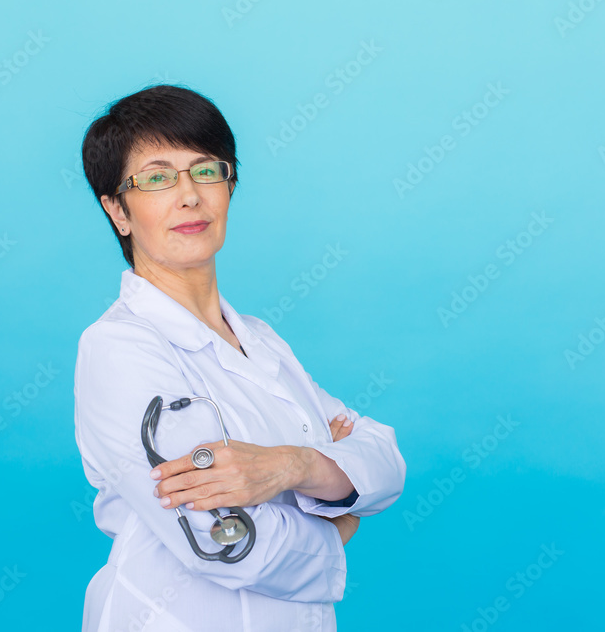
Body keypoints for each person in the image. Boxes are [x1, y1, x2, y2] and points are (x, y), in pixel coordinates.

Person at [73, 84, 405, 631]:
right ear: (117, 210)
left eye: (206, 170)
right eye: (157, 177)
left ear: (229, 186)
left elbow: (385, 461)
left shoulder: (259, 338)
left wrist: (291, 465)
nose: (189, 195)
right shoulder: (119, 349)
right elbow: (227, 543)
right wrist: (339, 516)